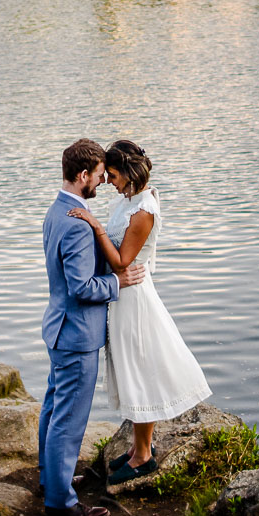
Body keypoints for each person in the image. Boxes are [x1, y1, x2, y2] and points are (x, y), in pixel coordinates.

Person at [70, 139, 212, 485]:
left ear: (130, 174)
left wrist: (94, 225)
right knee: (132, 369)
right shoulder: (128, 201)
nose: (110, 182)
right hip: (122, 297)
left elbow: (122, 261)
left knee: (142, 369)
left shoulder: (144, 210)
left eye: (114, 175)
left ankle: (145, 455)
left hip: (136, 300)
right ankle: (136, 451)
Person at [38, 138, 144, 516]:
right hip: (77, 335)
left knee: (52, 409)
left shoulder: (56, 211)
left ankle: (51, 480)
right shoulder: (78, 225)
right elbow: (82, 288)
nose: (101, 183)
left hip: (58, 327)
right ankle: (61, 503)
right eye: (98, 176)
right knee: (68, 418)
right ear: (82, 175)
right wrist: (121, 282)